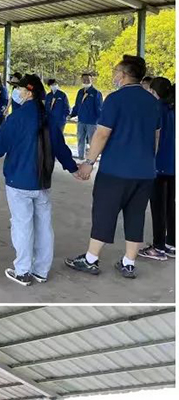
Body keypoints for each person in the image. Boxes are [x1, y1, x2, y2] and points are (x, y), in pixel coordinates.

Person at [0, 74, 79, 286]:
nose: (17, 92)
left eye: (20, 89)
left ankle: (23, 271)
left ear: (29, 93)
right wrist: (73, 168)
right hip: (42, 181)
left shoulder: (17, 118)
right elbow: (60, 147)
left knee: (22, 225)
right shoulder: (48, 117)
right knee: (43, 226)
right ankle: (41, 271)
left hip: (18, 181)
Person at [66, 55, 161, 280]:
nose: (114, 75)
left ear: (124, 75)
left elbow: (102, 133)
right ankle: (129, 263)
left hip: (116, 170)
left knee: (104, 212)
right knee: (136, 215)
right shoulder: (152, 101)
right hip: (145, 172)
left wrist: (89, 163)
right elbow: (156, 136)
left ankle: (91, 259)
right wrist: (148, 161)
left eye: (117, 71)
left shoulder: (115, 99)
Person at [139, 77, 175, 260]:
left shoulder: (156, 109)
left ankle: (158, 247)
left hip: (158, 166)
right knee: (171, 205)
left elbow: (152, 139)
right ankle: (172, 243)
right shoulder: (172, 108)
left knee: (158, 207)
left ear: (154, 92)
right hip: (173, 166)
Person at [69, 73, 103, 159]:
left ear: (92, 80)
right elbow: (77, 105)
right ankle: (81, 157)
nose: (86, 81)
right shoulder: (80, 92)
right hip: (81, 121)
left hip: (92, 122)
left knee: (92, 141)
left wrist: (100, 121)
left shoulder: (96, 93)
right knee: (80, 140)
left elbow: (99, 108)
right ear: (81, 80)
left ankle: (91, 159)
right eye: (84, 79)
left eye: (88, 79)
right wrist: (71, 115)